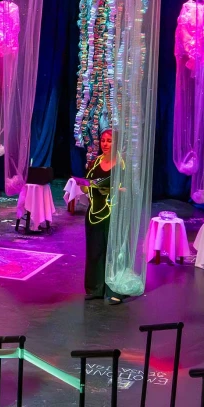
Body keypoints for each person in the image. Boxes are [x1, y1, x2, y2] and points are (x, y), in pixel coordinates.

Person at [83, 129, 125, 305]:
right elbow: (86, 185)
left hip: (112, 213)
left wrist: (117, 191)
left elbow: (130, 190)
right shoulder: (95, 162)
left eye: (109, 141)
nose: (105, 144)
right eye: (103, 141)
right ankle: (96, 288)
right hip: (94, 212)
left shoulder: (123, 165)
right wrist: (85, 187)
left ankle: (115, 289)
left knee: (113, 252)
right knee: (94, 250)